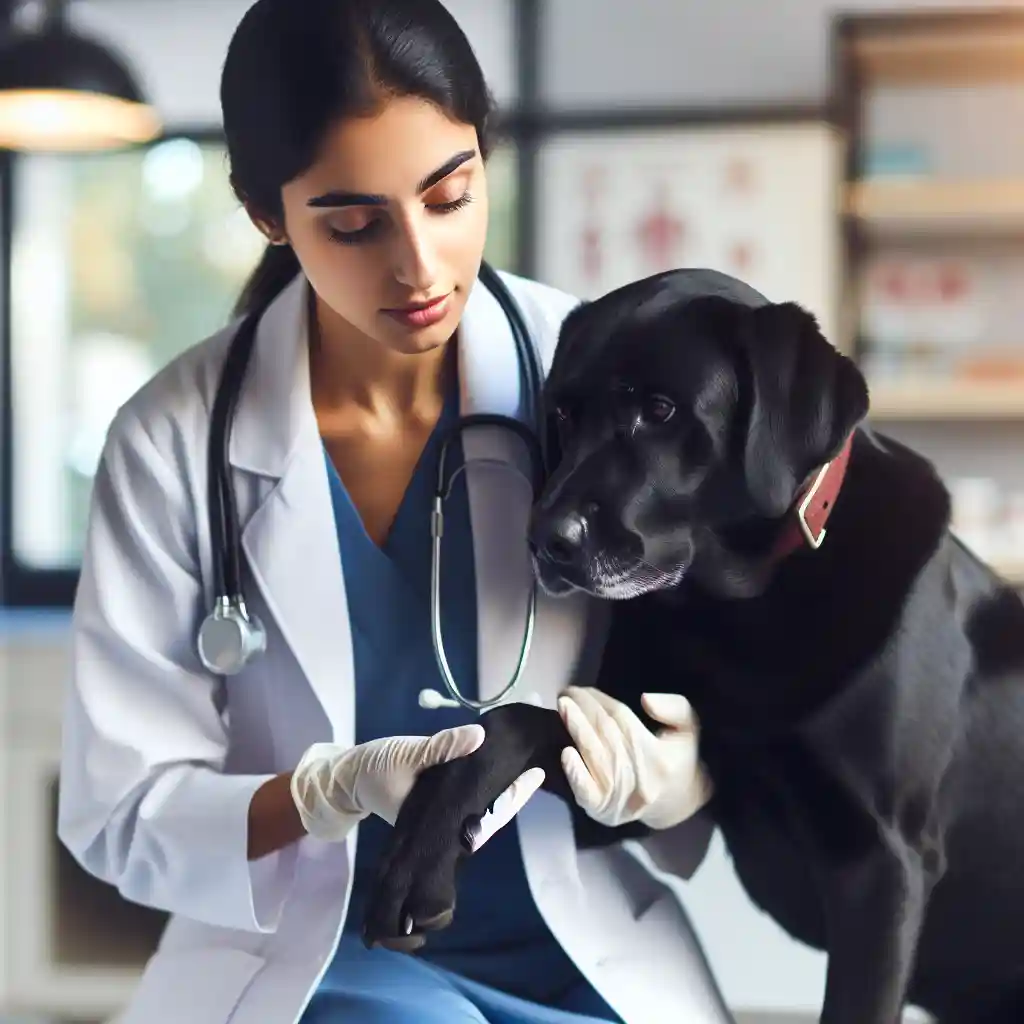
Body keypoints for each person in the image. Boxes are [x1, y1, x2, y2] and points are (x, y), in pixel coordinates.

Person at [56, 2, 732, 1022]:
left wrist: (679, 777)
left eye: (450, 194)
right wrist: (324, 791)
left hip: (577, 945)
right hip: (319, 955)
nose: (418, 264)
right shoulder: (171, 441)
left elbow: (737, 660)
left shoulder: (592, 371)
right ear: (266, 214)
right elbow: (119, 811)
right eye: (355, 222)